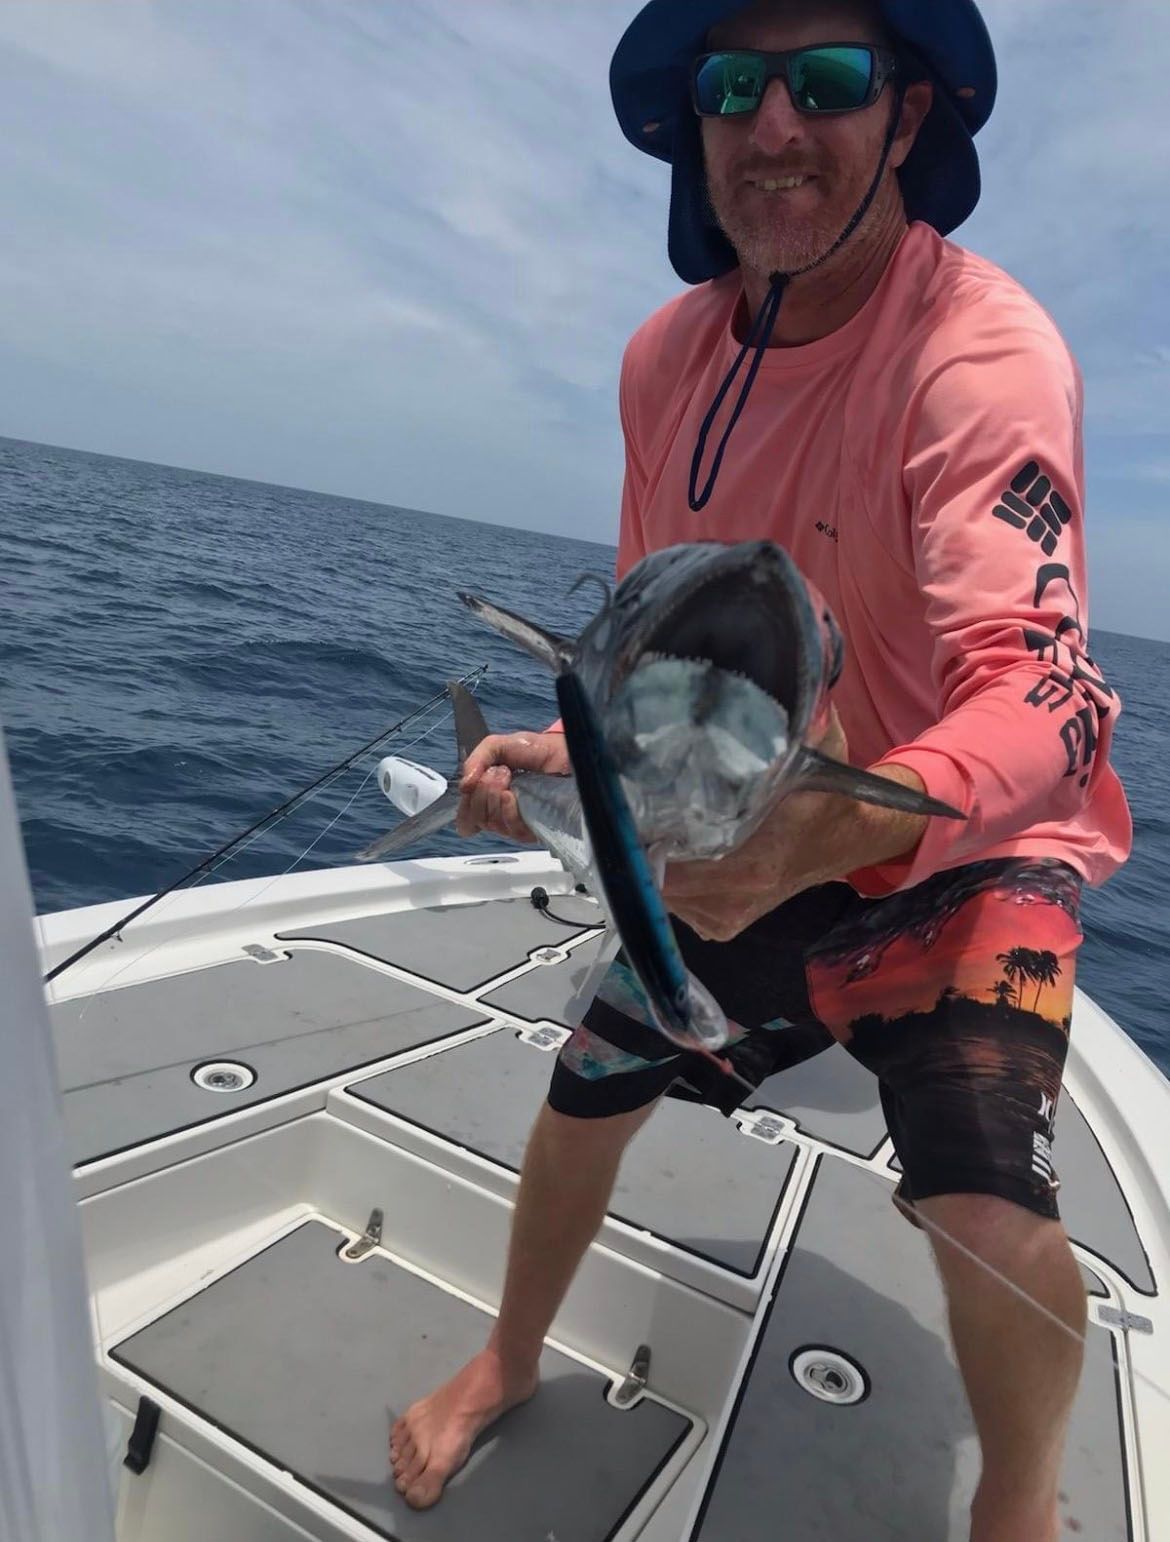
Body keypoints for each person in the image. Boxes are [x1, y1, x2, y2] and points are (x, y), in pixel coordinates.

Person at [390, 2, 1132, 1537]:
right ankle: (510, 1356)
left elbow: (1048, 695)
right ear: (695, 123)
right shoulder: (661, 361)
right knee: (583, 1093)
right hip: (746, 816)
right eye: (734, 84)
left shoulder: (978, 354)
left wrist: (842, 823)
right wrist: (566, 757)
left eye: (828, 78)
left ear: (906, 117)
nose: (775, 124)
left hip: (957, 845)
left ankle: (1017, 1509)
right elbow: (647, 653)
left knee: (984, 1204)